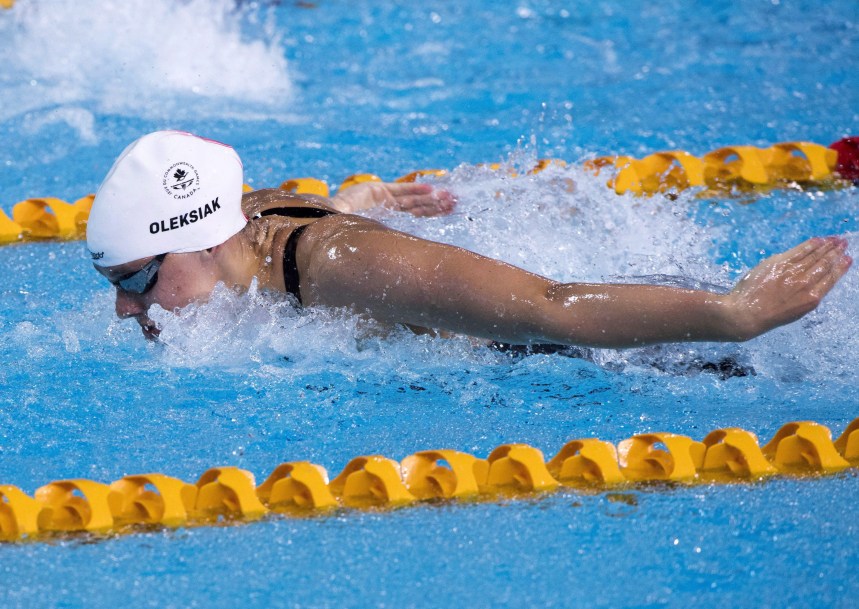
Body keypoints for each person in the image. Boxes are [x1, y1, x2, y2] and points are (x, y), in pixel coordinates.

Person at [87, 131, 852, 346]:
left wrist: (733, 315)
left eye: (133, 281)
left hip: (614, 341)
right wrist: (361, 199)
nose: (126, 311)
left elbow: (546, 306)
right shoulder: (236, 225)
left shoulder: (347, 268)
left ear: (204, 243)